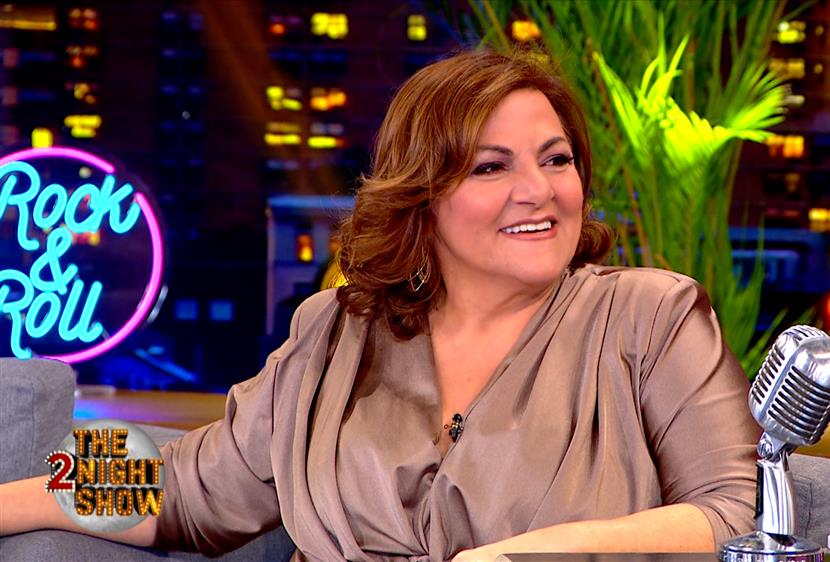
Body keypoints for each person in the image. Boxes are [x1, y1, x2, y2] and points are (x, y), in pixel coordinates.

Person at [0, 49, 759, 561]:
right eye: (490, 167)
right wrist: (8, 502)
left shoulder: (649, 317)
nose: (539, 190)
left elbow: (733, 516)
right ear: (421, 194)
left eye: (555, 159)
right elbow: (186, 487)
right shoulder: (336, 332)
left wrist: (525, 555)